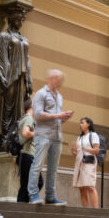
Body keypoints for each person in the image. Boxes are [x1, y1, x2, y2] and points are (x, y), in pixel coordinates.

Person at [0, 5, 33, 150]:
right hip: (9, 76)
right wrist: (4, 77)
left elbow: (27, 60)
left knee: (18, 108)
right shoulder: (4, 36)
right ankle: (3, 136)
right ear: (11, 20)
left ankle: (13, 137)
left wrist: (29, 79)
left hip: (21, 77)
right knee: (6, 108)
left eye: (22, 20)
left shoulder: (23, 38)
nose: (20, 22)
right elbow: (1, 58)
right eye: (18, 19)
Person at [28, 69, 73, 205]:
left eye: (61, 80)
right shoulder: (41, 94)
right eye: (58, 79)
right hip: (43, 135)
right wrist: (58, 116)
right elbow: (37, 114)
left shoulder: (59, 96)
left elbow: (55, 118)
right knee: (37, 165)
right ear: (51, 79)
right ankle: (33, 195)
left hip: (57, 136)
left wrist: (64, 118)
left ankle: (50, 196)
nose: (60, 83)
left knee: (53, 168)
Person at [16, 97, 42, 203]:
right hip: (28, 155)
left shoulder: (25, 118)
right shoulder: (29, 118)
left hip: (24, 155)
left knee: (25, 185)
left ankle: (21, 208)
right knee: (38, 182)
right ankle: (25, 205)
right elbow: (25, 133)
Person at [71, 117, 101, 208]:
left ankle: (96, 210)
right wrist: (73, 150)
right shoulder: (79, 137)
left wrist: (85, 149)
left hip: (89, 163)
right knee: (82, 188)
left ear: (88, 124)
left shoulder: (93, 135)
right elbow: (76, 153)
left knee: (90, 186)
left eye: (82, 123)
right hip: (79, 163)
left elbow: (96, 150)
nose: (80, 125)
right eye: (80, 123)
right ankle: (85, 210)